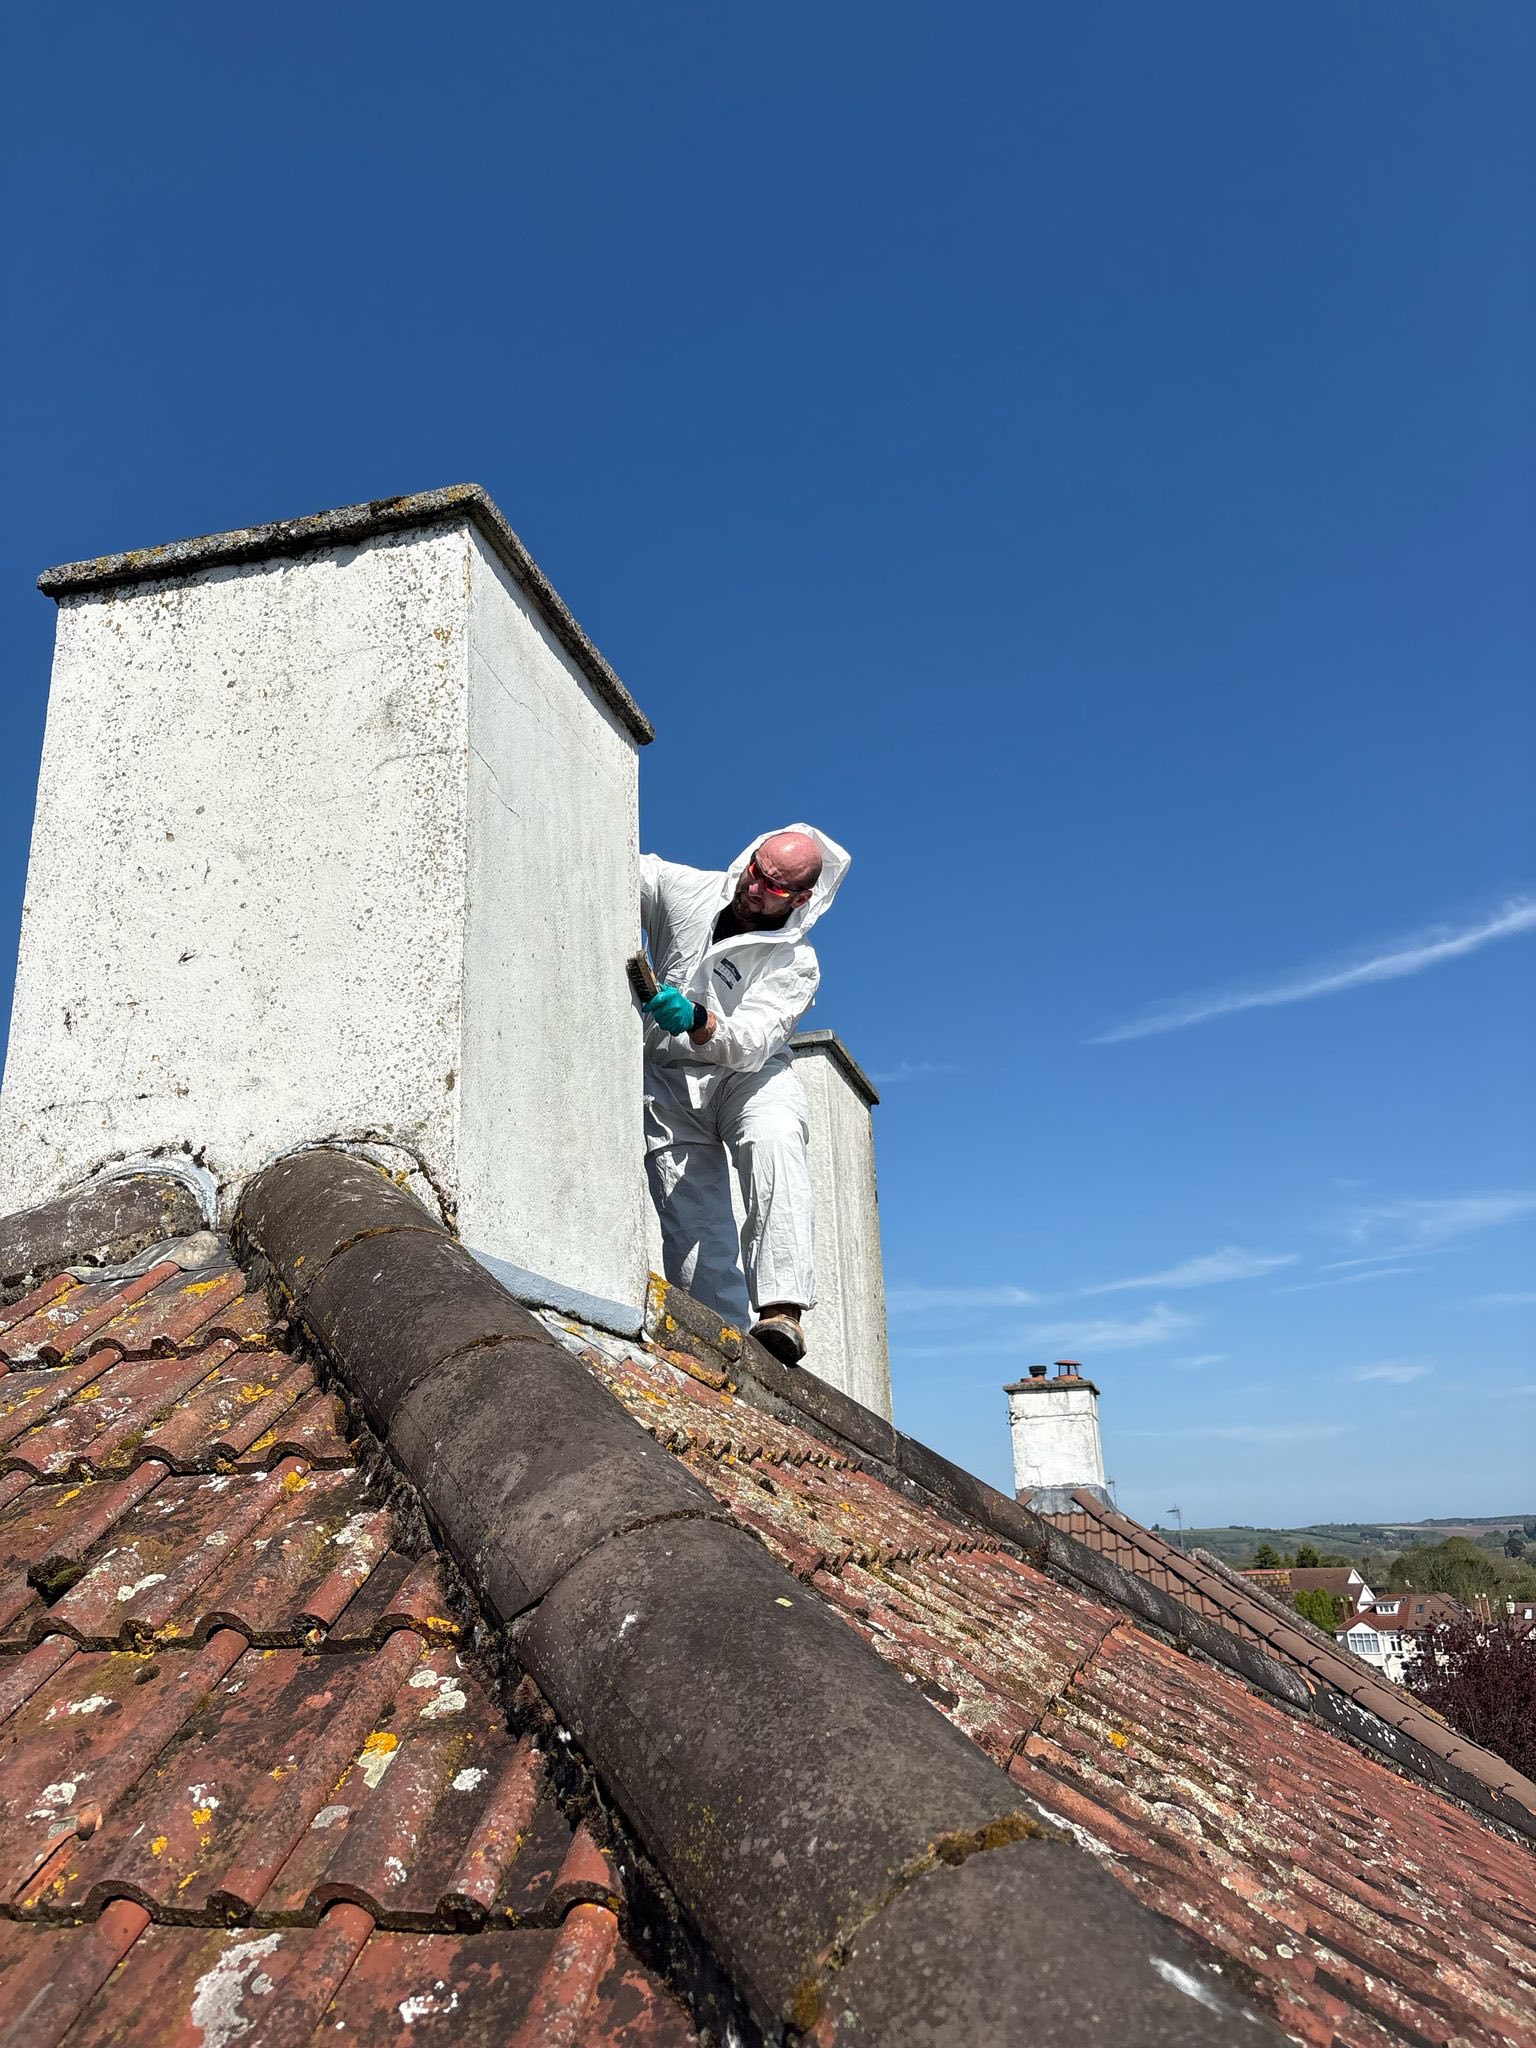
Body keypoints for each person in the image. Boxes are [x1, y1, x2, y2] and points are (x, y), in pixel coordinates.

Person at [639, 824, 850, 1365]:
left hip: (747, 1077)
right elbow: (616, 862)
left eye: (774, 887)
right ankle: (724, 1346)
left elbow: (753, 1041)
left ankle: (782, 1313)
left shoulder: (796, 963)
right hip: (668, 1081)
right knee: (692, 1223)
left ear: (801, 897)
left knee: (774, 1135)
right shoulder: (685, 889)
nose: (755, 888)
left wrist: (700, 1020)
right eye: (757, 870)